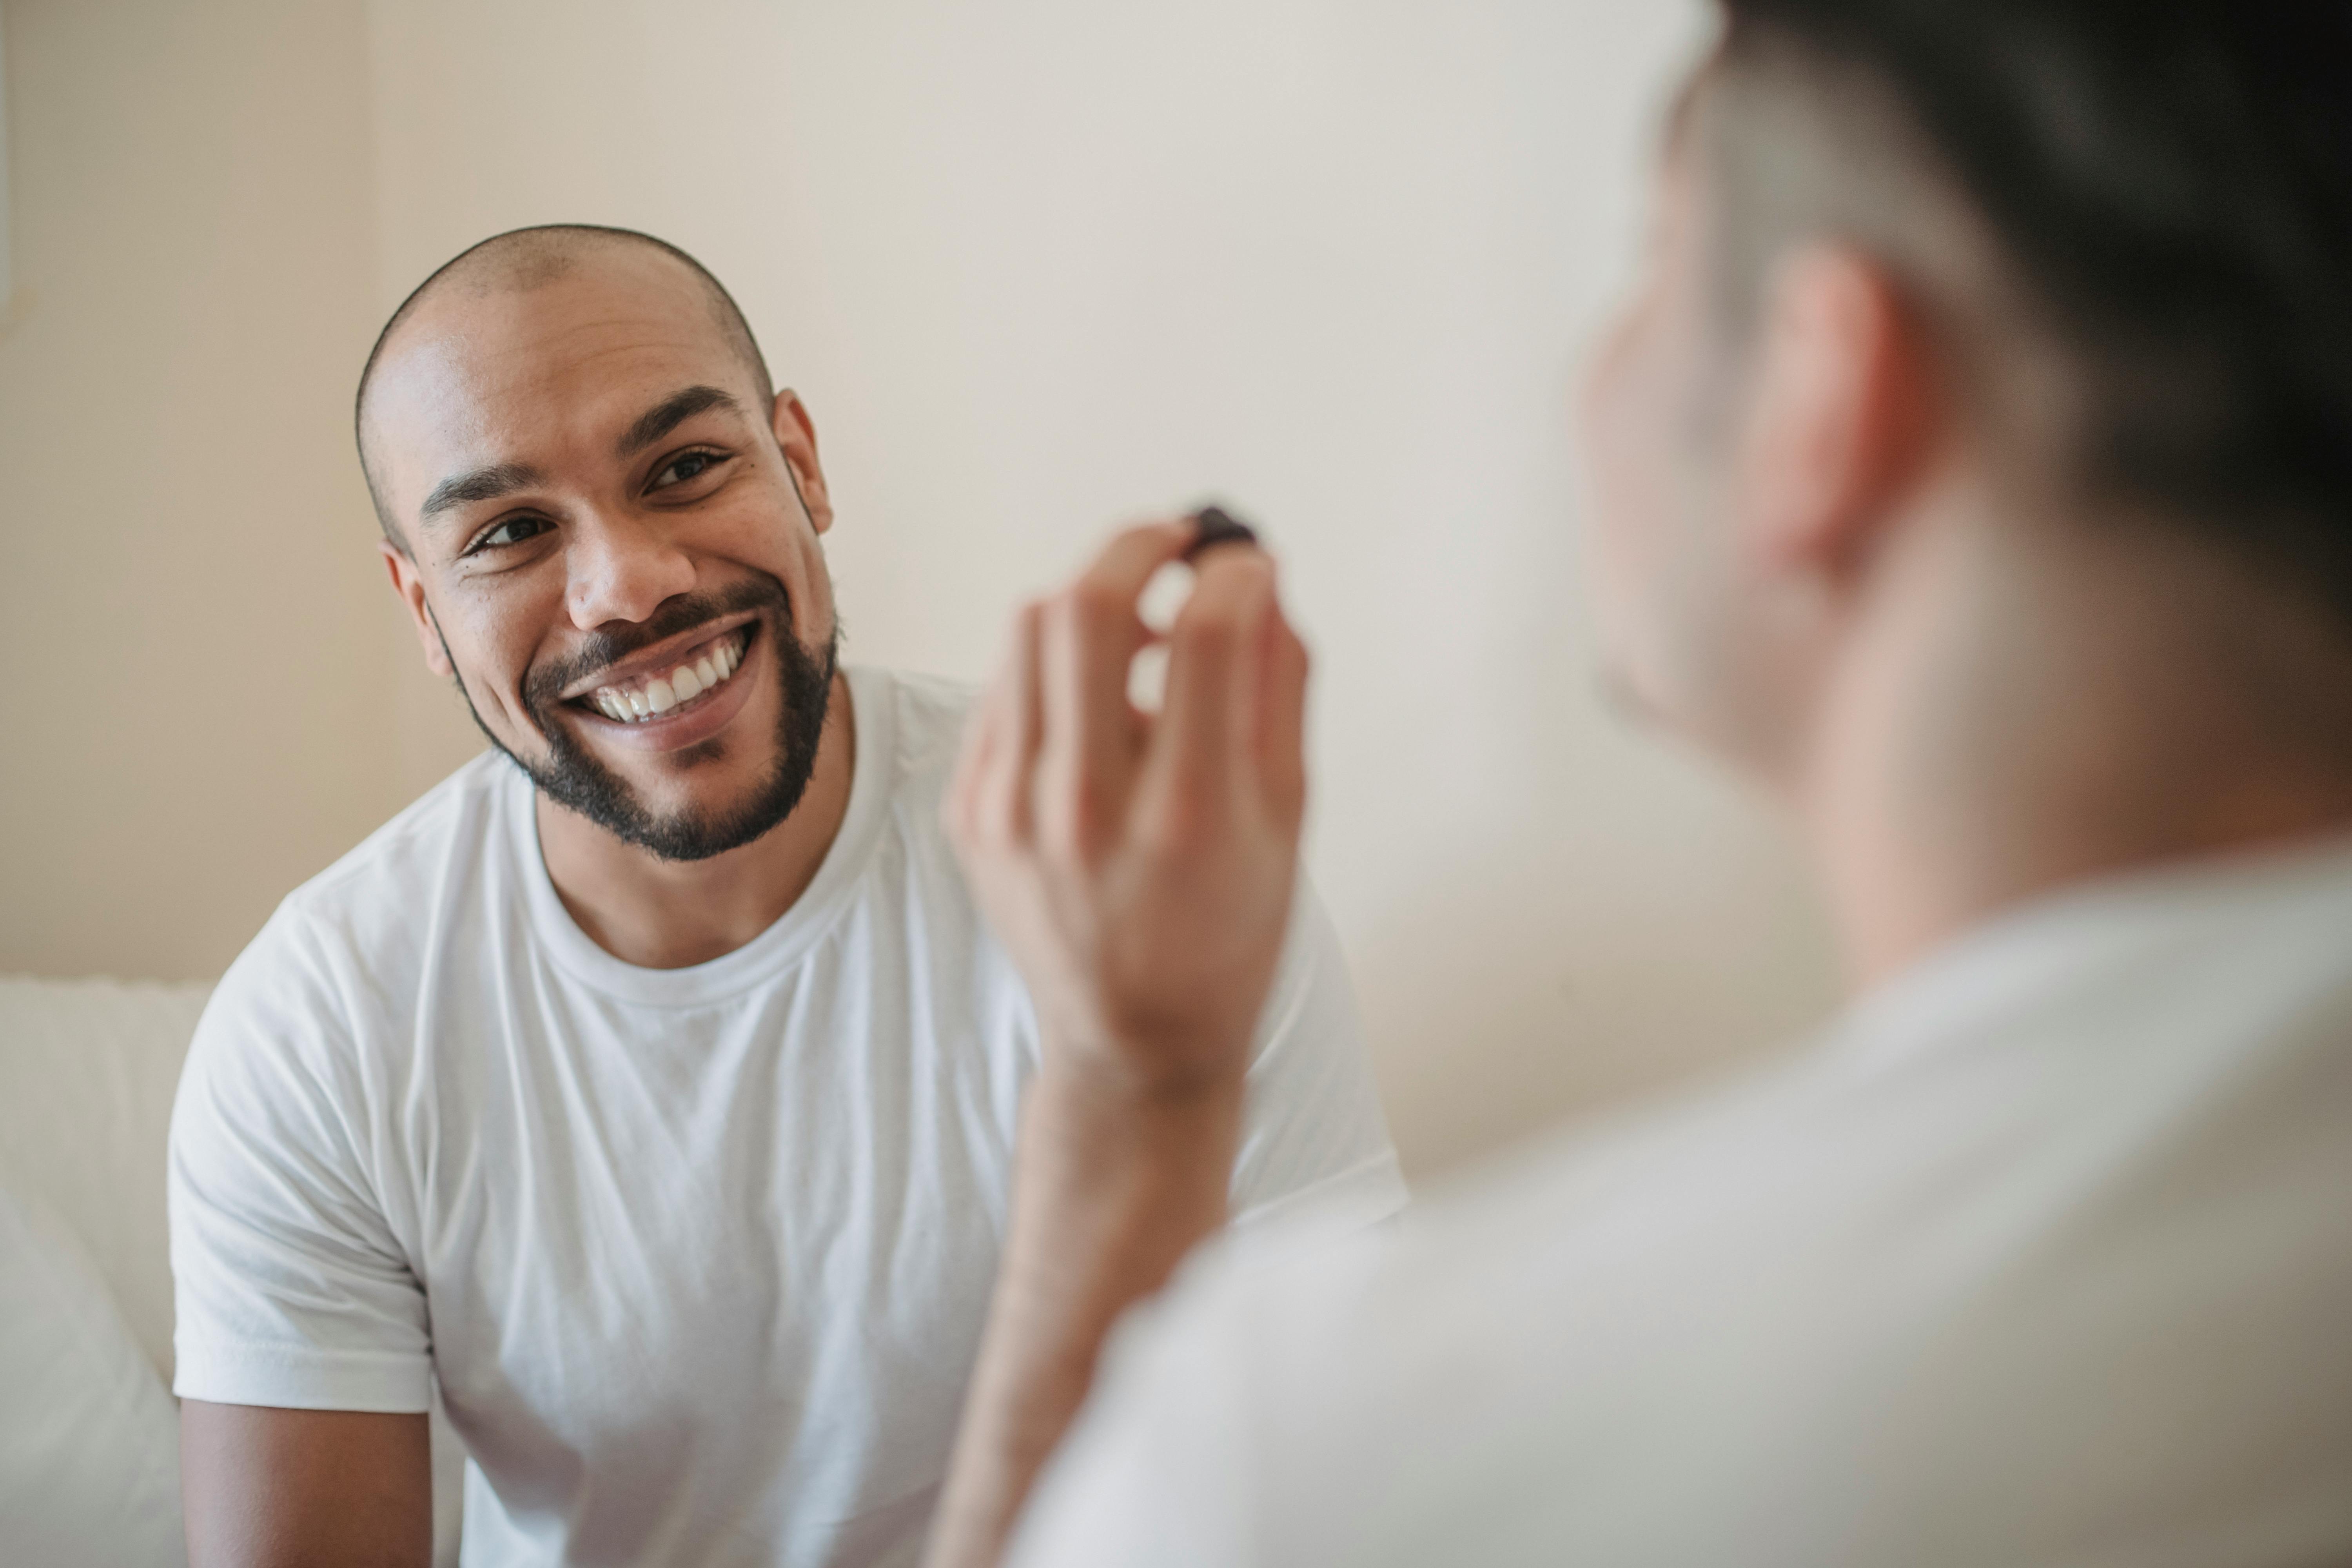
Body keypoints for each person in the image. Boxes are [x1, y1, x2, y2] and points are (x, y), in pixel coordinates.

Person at [922, 3, 2352, 1564]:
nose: (1589, 370)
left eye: (1655, 261)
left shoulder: (1351, 1460)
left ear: (1822, 399)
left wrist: (1139, 1091)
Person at [165, 225, 1406, 1568]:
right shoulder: (320, 1025)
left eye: (686, 467)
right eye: (512, 532)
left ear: (799, 464)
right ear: (423, 612)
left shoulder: (1143, 869)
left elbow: (1327, 1477)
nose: (627, 582)